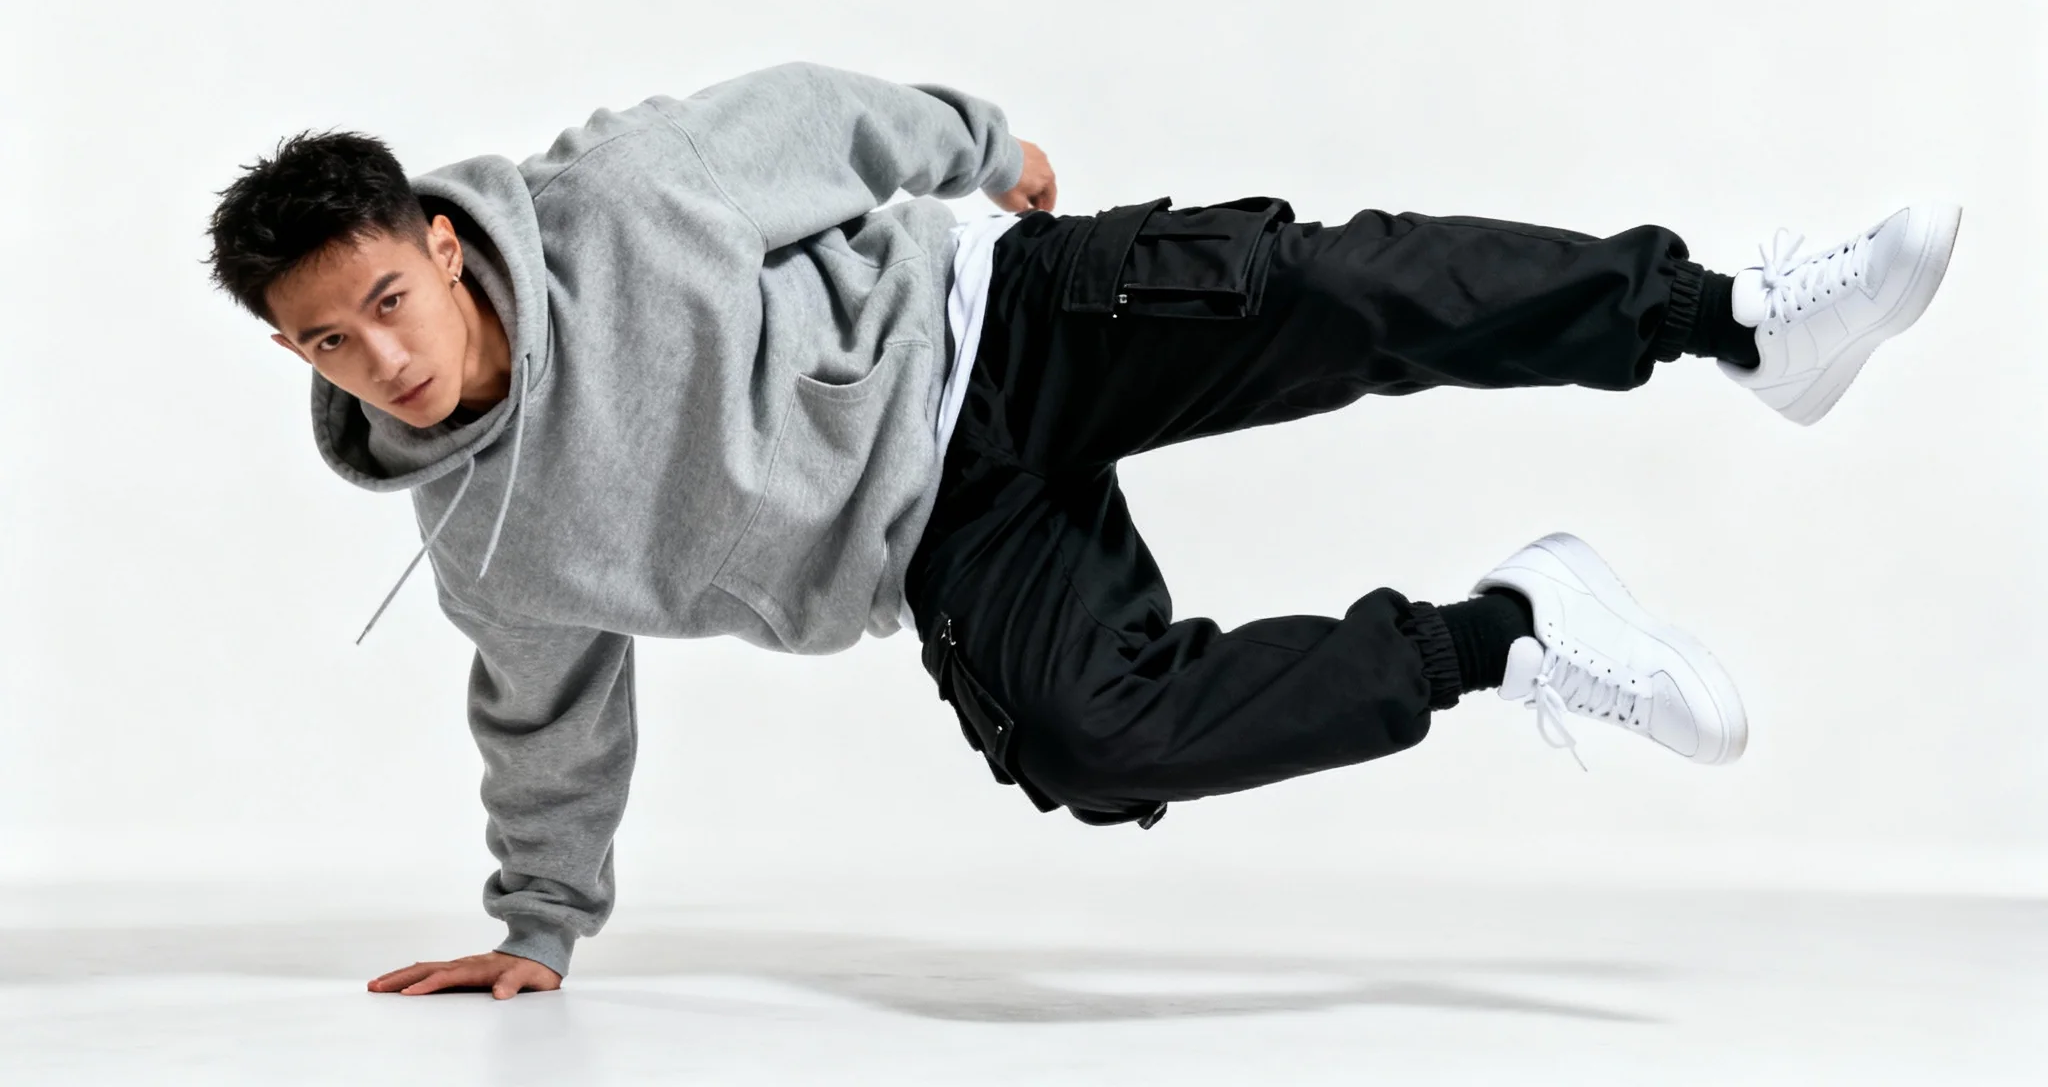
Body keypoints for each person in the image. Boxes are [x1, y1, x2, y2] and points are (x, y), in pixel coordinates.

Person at [203, 60, 1961, 1000]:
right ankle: (1506, 633)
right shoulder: (486, 546)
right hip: (931, 540)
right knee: (1095, 743)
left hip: (995, 318)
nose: (383, 361)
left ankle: (1740, 318)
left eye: (381, 299)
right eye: (324, 343)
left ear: (436, 242)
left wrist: (982, 141)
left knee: (1334, 293)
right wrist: (540, 922)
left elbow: (812, 118)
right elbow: (547, 714)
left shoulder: (618, 200)